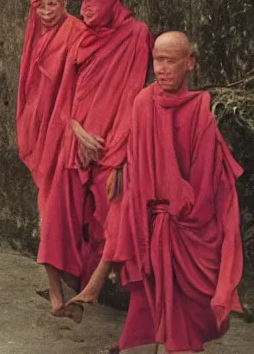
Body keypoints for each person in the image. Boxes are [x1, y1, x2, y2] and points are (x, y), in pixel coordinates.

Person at [99, 32, 244, 354]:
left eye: (170, 61)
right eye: (157, 60)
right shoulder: (142, 103)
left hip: (190, 228)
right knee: (152, 305)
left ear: (190, 64)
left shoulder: (201, 112)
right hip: (153, 225)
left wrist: (184, 215)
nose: (161, 69)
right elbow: (137, 166)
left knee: (191, 318)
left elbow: (208, 183)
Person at [36, 0, 152, 320]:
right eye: (82, 0)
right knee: (56, 215)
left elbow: (133, 93)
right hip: (76, 142)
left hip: (111, 146)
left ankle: (96, 288)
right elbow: (64, 97)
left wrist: (115, 150)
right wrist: (75, 129)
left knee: (111, 218)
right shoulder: (80, 36)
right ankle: (57, 297)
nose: (84, 8)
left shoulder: (136, 35)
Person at [16, 0, 86, 214]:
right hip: (39, 115)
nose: (46, 11)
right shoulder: (36, 33)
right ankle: (48, 243)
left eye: (53, 4)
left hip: (63, 114)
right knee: (44, 182)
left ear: (64, 4)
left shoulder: (76, 31)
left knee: (58, 181)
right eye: (41, 5)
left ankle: (55, 244)